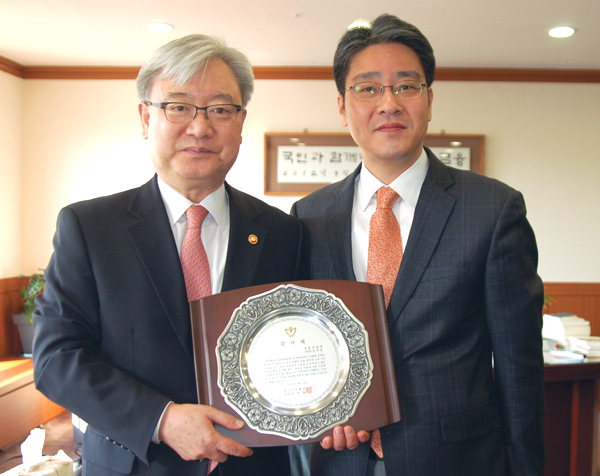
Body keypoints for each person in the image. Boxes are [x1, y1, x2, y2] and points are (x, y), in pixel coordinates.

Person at [32, 34, 301, 476]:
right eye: (178, 107)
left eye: (220, 109)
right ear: (145, 117)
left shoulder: (282, 232)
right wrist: (161, 419)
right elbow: (55, 358)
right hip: (134, 464)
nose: (200, 128)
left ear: (241, 121)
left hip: (254, 465)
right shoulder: (90, 227)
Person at [291, 14, 544, 476]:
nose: (389, 103)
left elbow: (518, 367)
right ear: (343, 107)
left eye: (406, 86)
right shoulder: (308, 216)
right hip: (342, 460)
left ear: (429, 100)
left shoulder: (492, 209)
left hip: (458, 460)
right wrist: (318, 412)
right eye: (368, 88)